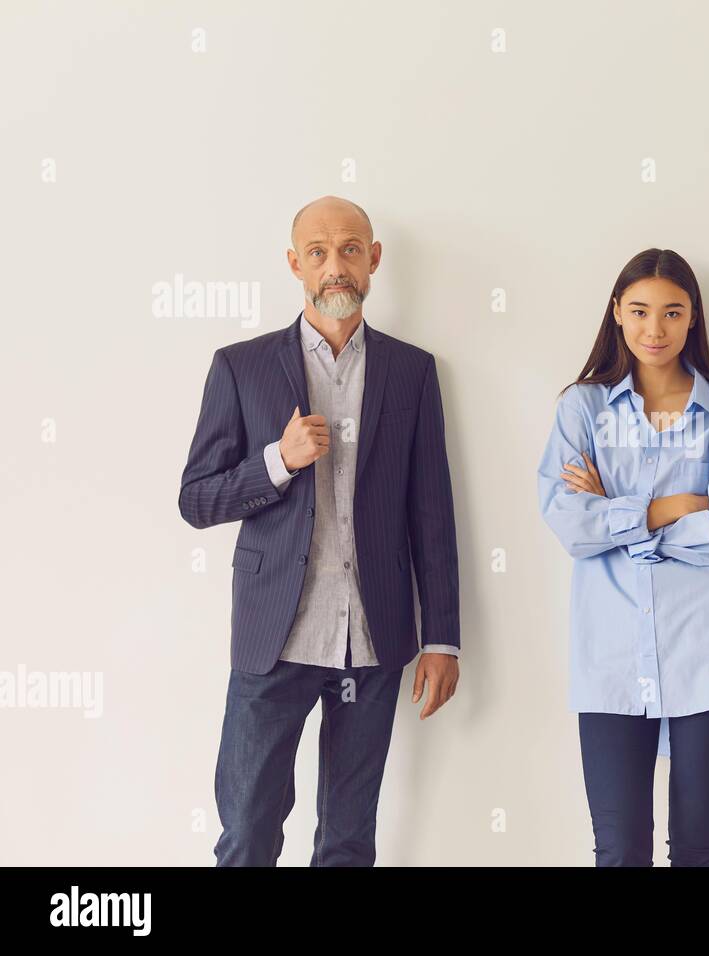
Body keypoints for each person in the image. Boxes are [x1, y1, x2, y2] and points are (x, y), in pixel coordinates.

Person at [179, 196, 461, 866]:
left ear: (374, 260)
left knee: (347, 839)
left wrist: (443, 636)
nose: (335, 266)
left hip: (372, 638)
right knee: (248, 831)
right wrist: (278, 460)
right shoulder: (240, 367)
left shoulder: (412, 372)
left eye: (350, 249)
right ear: (295, 265)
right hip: (275, 638)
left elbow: (432, 513)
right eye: (318, 252)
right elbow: (196, 500)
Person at [538, 249, 709, 866]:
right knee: (619, 851)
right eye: (638, 311)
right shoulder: (581, 409)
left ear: (693, 320)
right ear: (616, 314)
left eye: (672, 313)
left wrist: (615, 508)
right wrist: (671, 508)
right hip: (609, 660)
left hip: (708, 655)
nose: (654, 330)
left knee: (696, 849)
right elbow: (570, 525)